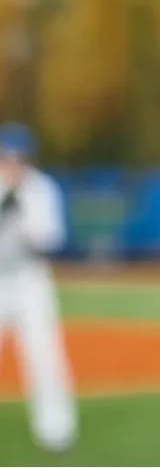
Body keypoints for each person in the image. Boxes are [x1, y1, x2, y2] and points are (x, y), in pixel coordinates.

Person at [0, 122, 77, 454]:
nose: (13, 162)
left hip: (31, 282)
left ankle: (55, 431)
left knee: (44, 356)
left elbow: (50, 240)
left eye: (19, 156)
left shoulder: (42, 189)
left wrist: (23, 218)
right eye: (7, 155)